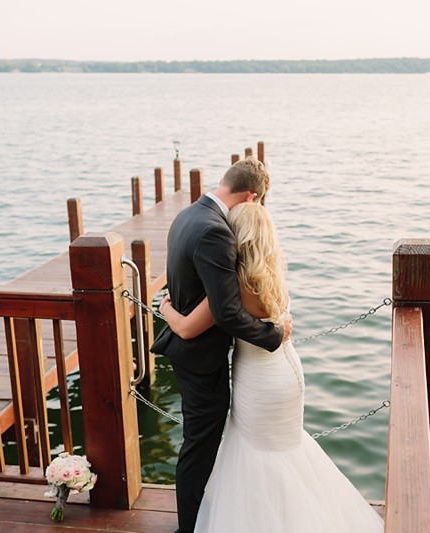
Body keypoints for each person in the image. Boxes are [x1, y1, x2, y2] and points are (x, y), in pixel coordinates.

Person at [159, 201, 385, 532]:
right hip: (286, 370)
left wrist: (166, 308)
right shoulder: (273, 271)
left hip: (259, 380)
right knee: (285, 451)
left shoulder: (234, 284)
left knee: (259, 457)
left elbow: (187, 327)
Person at [150, 158, 292, 533]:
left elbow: (191, 285)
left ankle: (204, 519)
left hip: (189, 351)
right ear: (252, 197)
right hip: (202, 361)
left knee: (200, 444)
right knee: (199, 450)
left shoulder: (188, 216)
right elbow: (227, 313)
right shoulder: (216, 232)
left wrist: (173, 315)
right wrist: (275, 336)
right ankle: (190, 528)